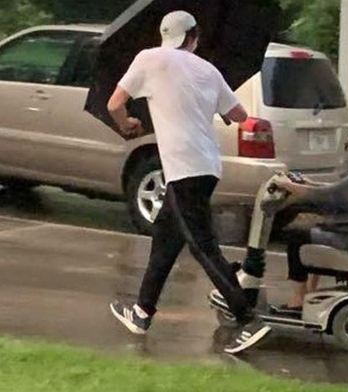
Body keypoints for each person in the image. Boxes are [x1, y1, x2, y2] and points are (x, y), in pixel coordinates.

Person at [106, 11, 270, 355]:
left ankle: (247, 318)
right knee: (165, 241)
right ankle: (142, 311)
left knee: (201, 245)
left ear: (165, 35)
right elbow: (239, 115)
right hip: (208, 165)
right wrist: (216, 107)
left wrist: (128, 124)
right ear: (192, 36)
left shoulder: (149, 59)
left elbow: (115, 103)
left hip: (183, 167)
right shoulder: (207, 70)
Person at [214, 128, 348, 316]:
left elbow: (325, 195)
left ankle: (298, 300)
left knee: (297, 236)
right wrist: (306, 183)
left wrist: (288, 185)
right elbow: (338, 190)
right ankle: (310, 292)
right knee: (312, 227)